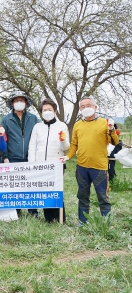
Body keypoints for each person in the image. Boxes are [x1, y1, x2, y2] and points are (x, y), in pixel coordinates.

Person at [61, 96, 119, 224]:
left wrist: (111, 130)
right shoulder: (77, 125)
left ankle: (106, 223)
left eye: (88, 105)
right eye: (82, 106)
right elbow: (74, 145)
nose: (85, 108)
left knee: (102, 197)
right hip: (82, 167)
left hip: (100, 168)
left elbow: (114, 142)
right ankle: (82, 222)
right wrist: (68, 156)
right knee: (82, 196)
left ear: (95, 107)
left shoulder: (105, 123)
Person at [27, 98, 70, 223]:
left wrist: (63, 140)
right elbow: (32, 146)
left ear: (55, 111)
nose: (47, 112)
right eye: (44, 110)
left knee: (56, 191)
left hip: (56, 164)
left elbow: (66, 148)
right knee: (45, 191)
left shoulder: (62, 126)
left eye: (49, 109)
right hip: (41, 166)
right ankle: (49, 218)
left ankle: (60, 218)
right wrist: (32, 165)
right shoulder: (37, 127)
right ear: (41, 112)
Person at [0, 91, 39, 217]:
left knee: (31, 185)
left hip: (30, 157)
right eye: (16, 101)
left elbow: (38, 137)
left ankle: (33, 211)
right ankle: (16, 211)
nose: (19, 103)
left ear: (26, 103)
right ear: (12, 103)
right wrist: (5, 157)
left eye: (22, 100)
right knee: (15, 185)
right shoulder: (6, 119)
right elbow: (3, 139)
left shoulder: (33, 118)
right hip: (13, 158)